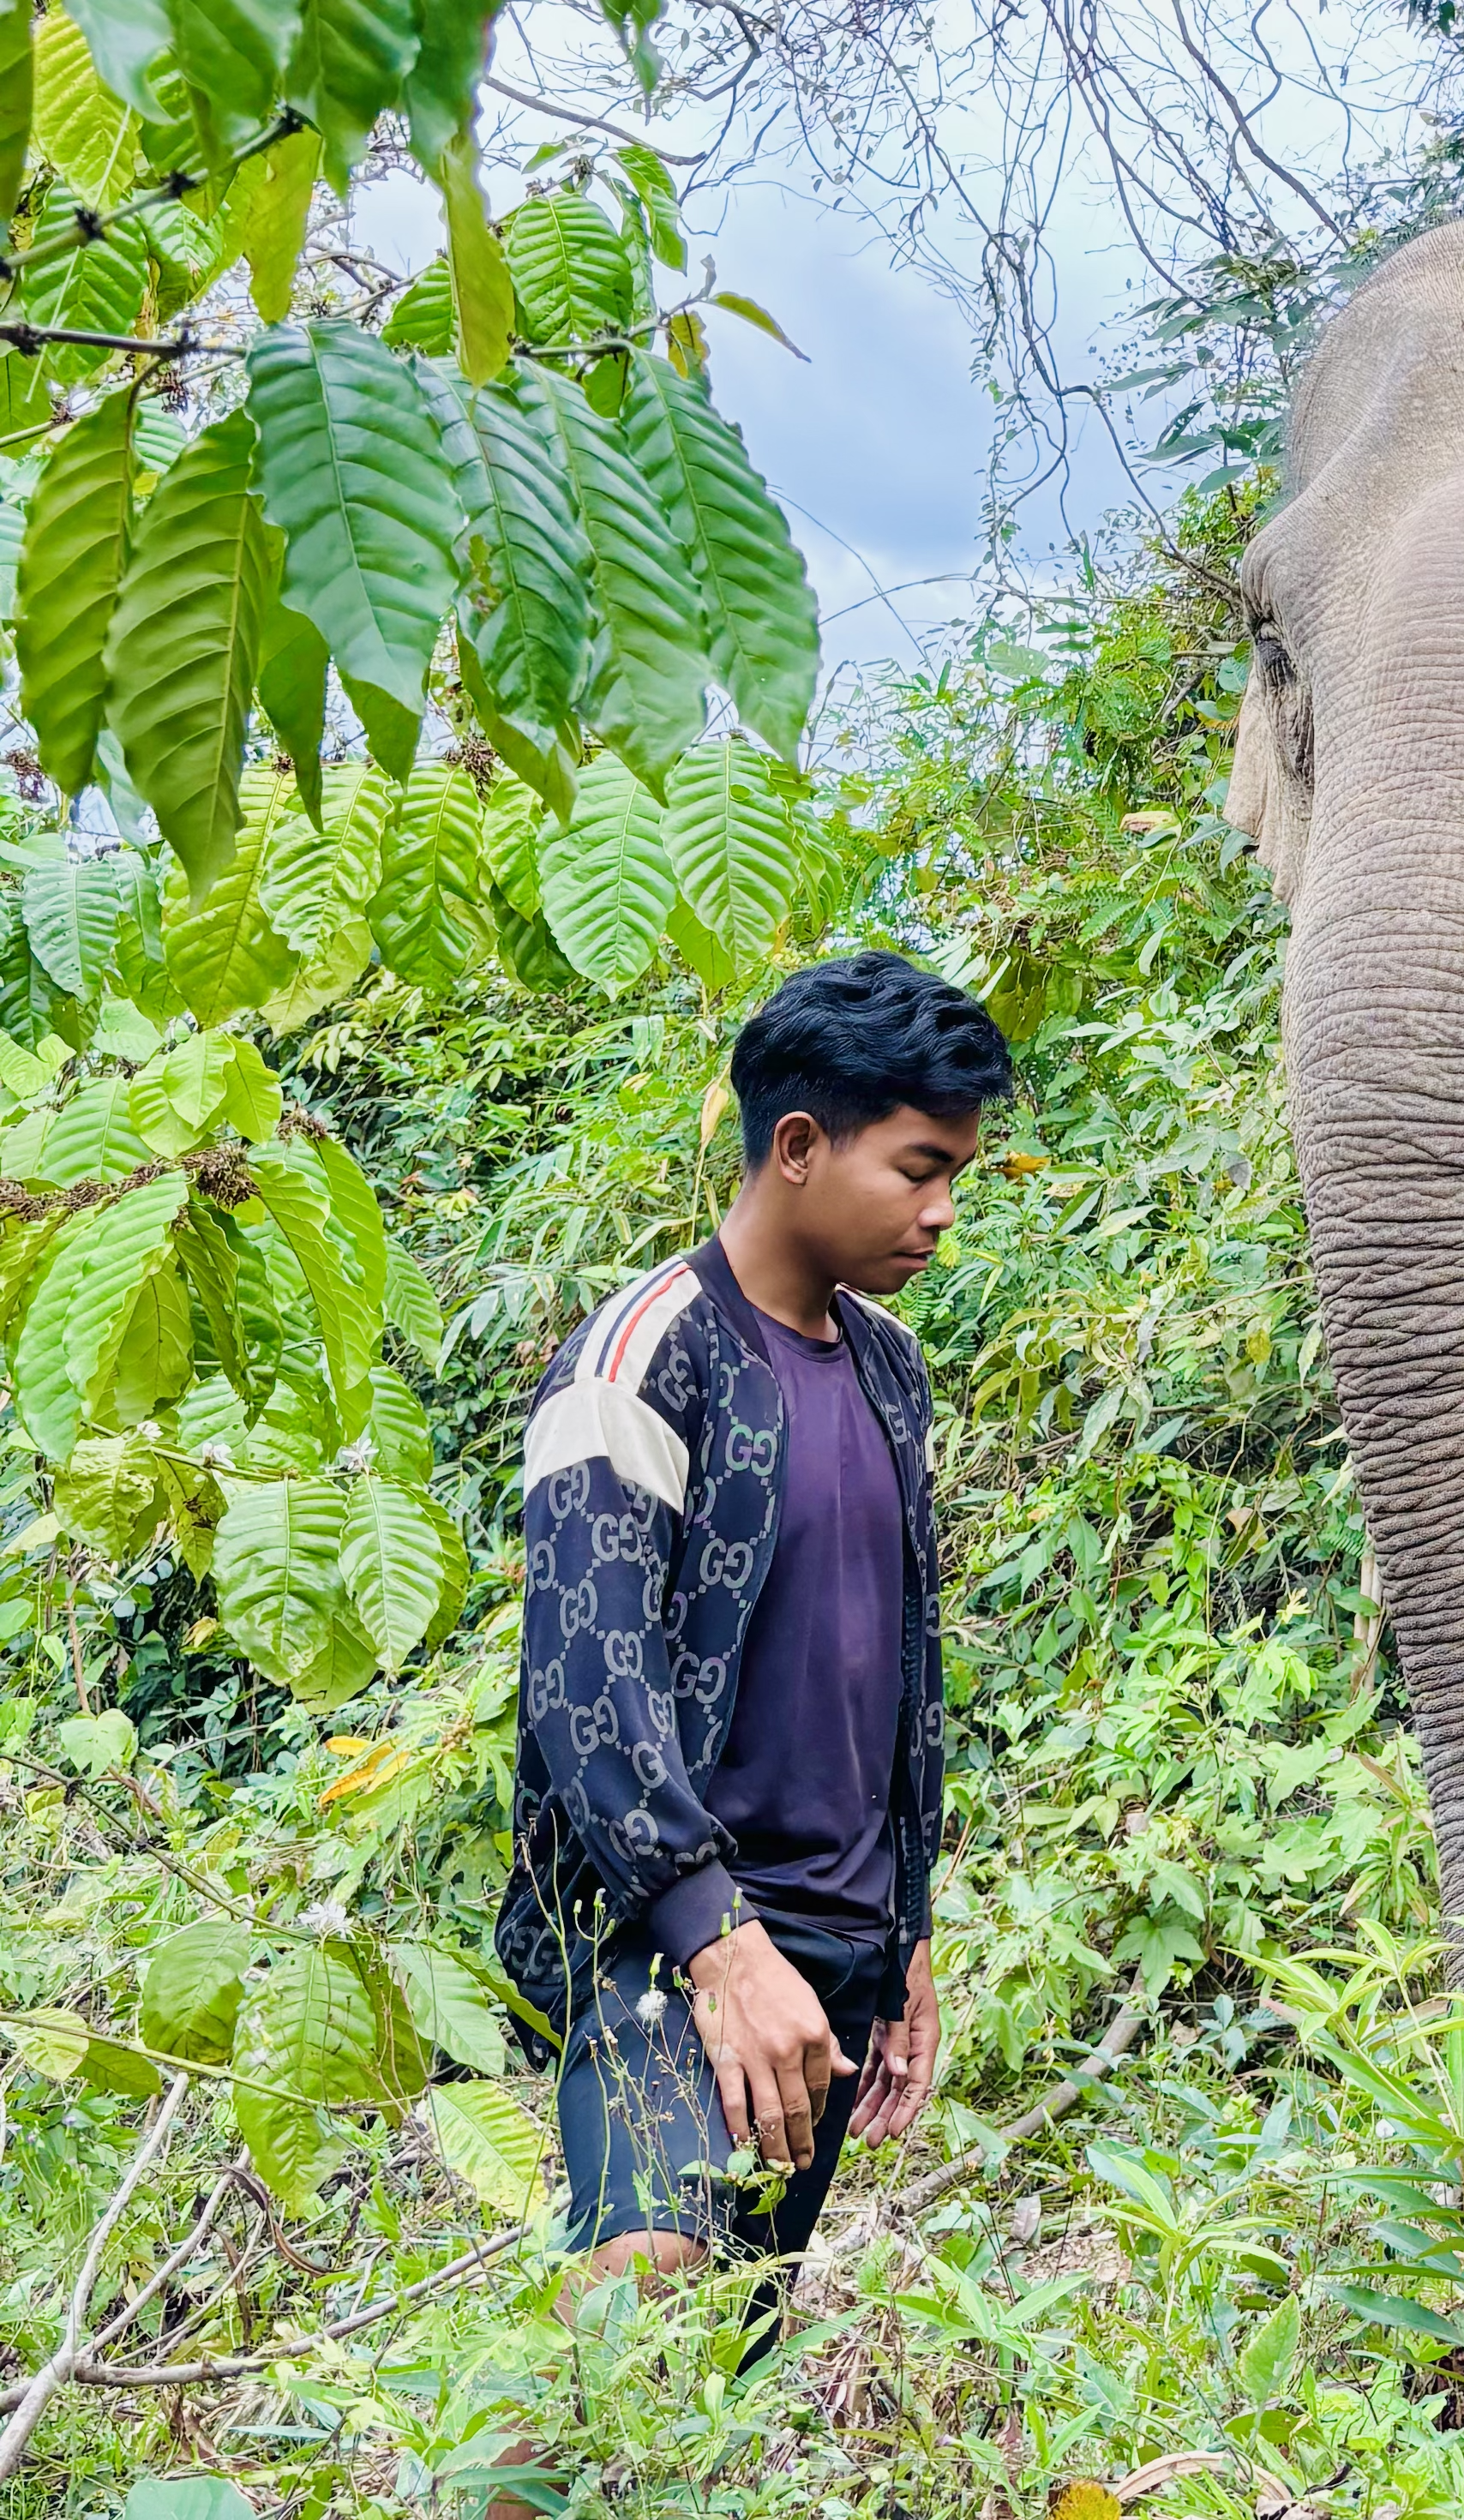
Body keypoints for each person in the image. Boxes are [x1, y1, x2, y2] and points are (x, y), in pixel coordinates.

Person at [491, 949, 1014, 2396]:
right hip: (668, 1941)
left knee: (721, 2359)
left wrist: (907, 1939)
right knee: (642, 2289)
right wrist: (721, 1945)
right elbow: (586, 1688)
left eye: (956, 1175)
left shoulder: (892, 1368)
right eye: (917, 1169)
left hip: (839, 1949)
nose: (941, 1211)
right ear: (797, 1146)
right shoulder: (641, 1358)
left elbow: (901, 1668)